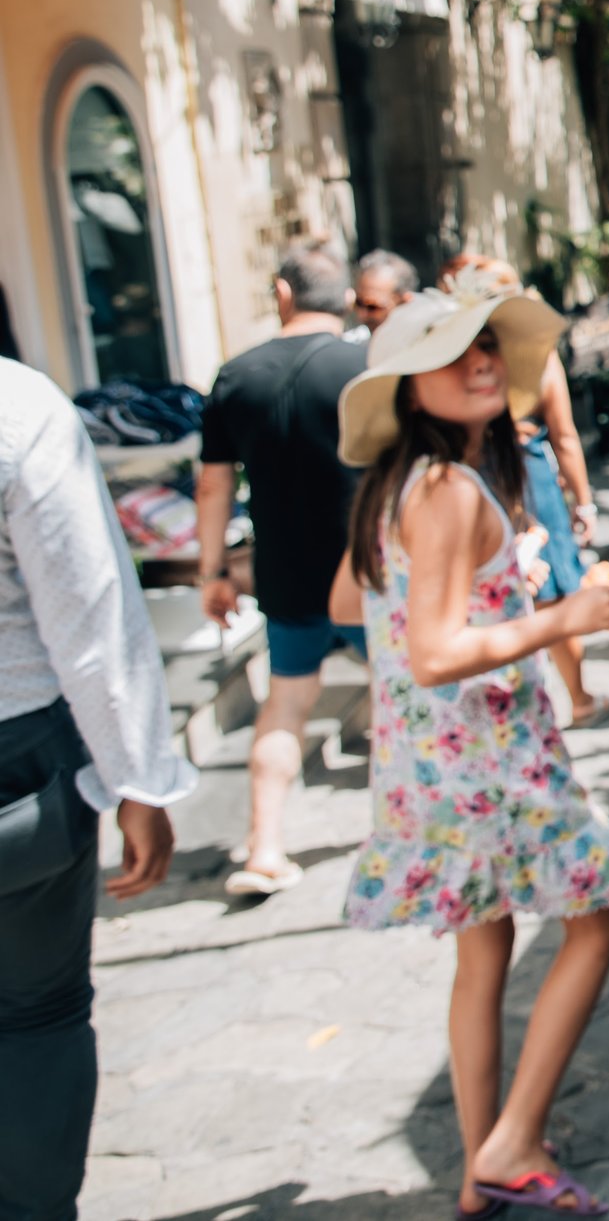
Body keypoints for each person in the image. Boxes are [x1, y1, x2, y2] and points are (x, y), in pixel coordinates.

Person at [330, 271, 609, 1220]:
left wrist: (492, 581)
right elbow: (434, 653)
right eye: (444, 355)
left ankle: (478, 1170)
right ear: (405, 388)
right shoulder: (452, 489)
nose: (476, 361)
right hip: (486, 758)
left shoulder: (399, 487)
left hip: (428, 765)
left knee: (484, 949)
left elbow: (350, 603)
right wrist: (561, 614)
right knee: (604, 903)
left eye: (483, 346)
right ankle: (510, 1140)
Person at [0, 358, 192, 1220]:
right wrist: (138, 781)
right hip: (17, 761)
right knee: (38, 1014)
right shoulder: (16, 406)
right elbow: (90, 616)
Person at [195, 242, 368, 898]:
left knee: (286, 702)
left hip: (286, 572)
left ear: (282, 293)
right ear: (346, 297)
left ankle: (265, 847)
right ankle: (419, 824)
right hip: (369, 570)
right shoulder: (370, 364)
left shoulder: (236, 375)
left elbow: (212, 488)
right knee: (408, 694)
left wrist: (214, 571)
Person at [441, 256, 607, 728]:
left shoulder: (456, 360)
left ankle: (546, 700)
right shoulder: (532, 355)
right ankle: (577, 697)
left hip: (500, 475)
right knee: (547, 594)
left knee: (513, 593)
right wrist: (584, 500)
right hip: (523, 475)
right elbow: (564, 433)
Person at [348, 249, 419, 340]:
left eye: (372, 307)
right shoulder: (354, 343)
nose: (362, 315)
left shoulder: (426, 346)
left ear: (404, 302)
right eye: (358, 303)